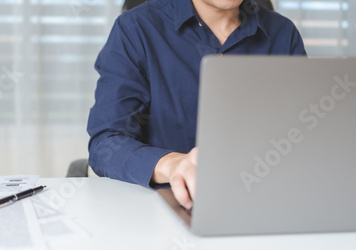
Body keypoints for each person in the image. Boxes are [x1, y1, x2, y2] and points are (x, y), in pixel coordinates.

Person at [87, 0, 306, 209]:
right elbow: (106, 144)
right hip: (164, 206)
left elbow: (306, 137)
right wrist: (172, 166)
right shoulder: (135, 29)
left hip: (264, 199)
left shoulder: (283, 33)